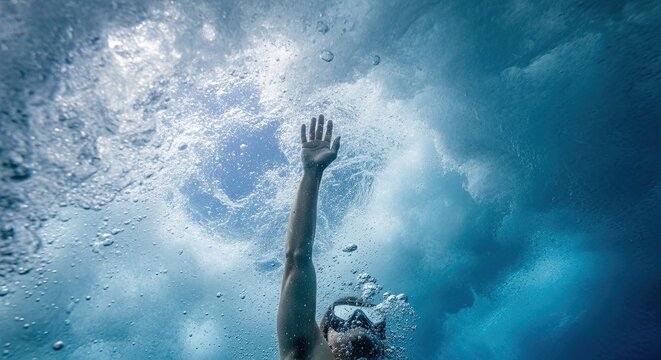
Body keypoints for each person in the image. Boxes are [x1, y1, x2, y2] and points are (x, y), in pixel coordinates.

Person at [277, 115, 388, 359]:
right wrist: (311, 174)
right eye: (345, 313)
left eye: (373, 318)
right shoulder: (304, 352)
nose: (360, 323)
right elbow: (297, 258)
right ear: (324, 333)